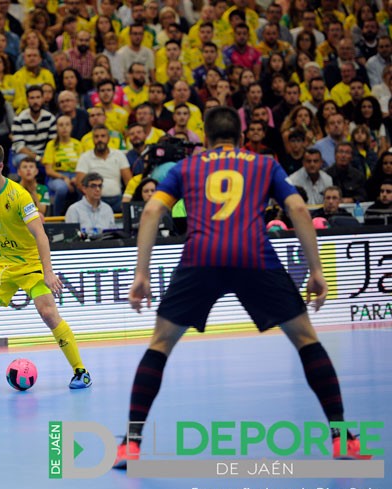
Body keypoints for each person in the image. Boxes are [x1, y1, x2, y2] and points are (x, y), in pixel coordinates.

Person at [114, 106, 372, 468]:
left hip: (201, 257)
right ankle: (342, 438)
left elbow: (153, 212)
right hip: (254, 257)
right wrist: (316, 270)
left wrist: (141, 273)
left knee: (160, 344)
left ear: (205, 138)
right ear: (240, 137)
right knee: (306, 340)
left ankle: (132, 443)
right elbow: (298, 210)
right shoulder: (264, 164)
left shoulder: (187, 167)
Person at [0, 141, 91, 390]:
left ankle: (81, 372)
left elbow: (40, 234)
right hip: (1, 264)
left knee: (48, 313)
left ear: (1, 166)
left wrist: (48, 271)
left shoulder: (19, 195)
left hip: (30, 262)